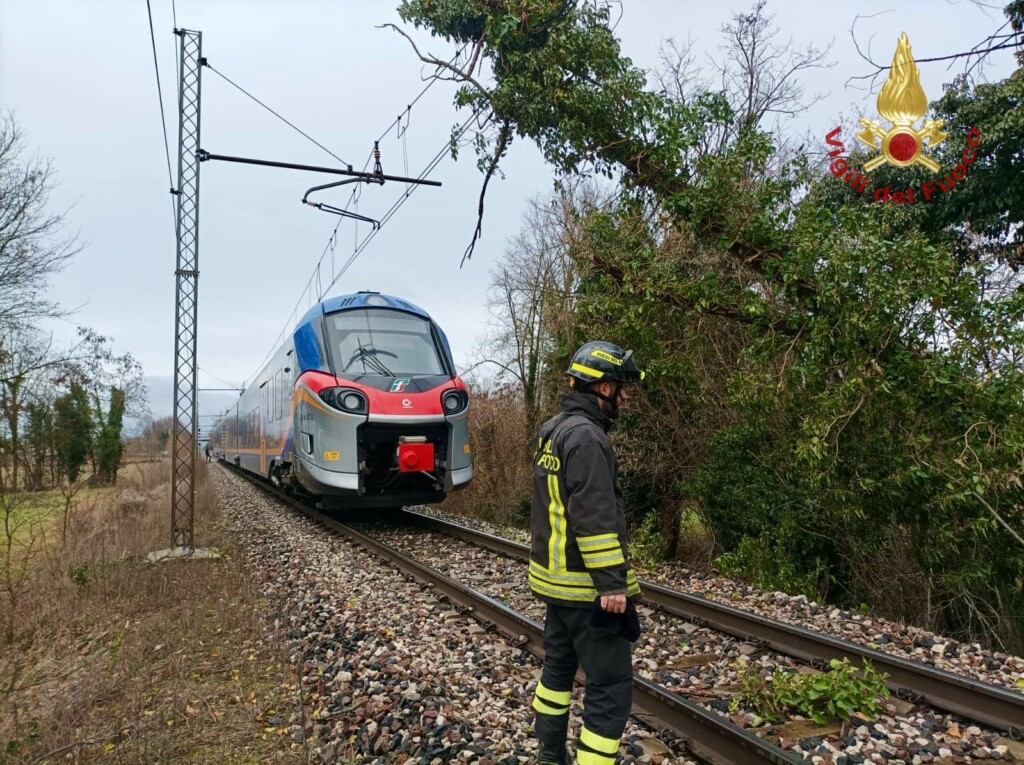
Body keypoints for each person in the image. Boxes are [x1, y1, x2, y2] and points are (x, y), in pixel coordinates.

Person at [529, 341, 645, 765]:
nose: (624, 396)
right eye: (619, 386)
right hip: (585, 586)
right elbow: (594, 516)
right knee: (610, 684)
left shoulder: (552, 430)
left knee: (557, 669)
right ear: (600, 387)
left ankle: (550, 753)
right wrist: (611, 584)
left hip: (555, 583)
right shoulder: (587, 438)